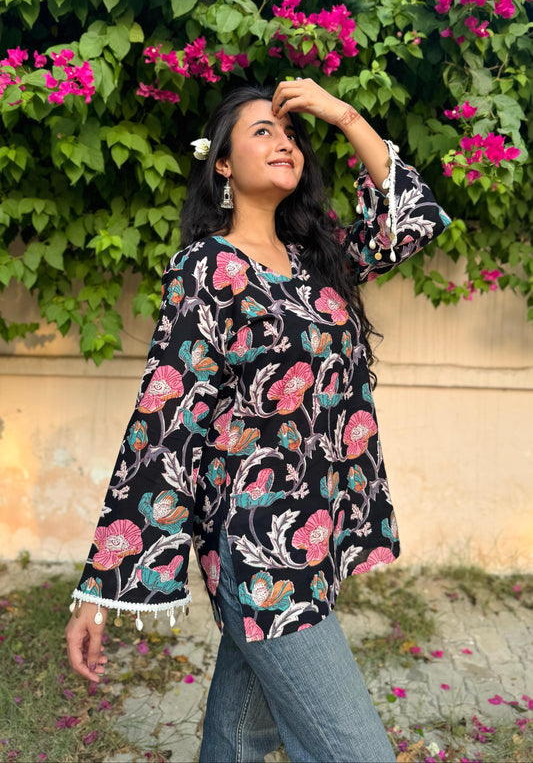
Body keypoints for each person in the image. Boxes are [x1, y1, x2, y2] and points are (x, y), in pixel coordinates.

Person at [66, 78, 451, 762]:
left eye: (290, 133)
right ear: (221, 163)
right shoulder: (207, 269)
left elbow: (411, 217)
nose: (284, 142)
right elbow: (164, 421)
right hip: (258, 553)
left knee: (238, 738)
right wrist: (100, 588)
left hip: (314, 539)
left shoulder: (318, 261)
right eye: (262, 132)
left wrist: (339, 112)